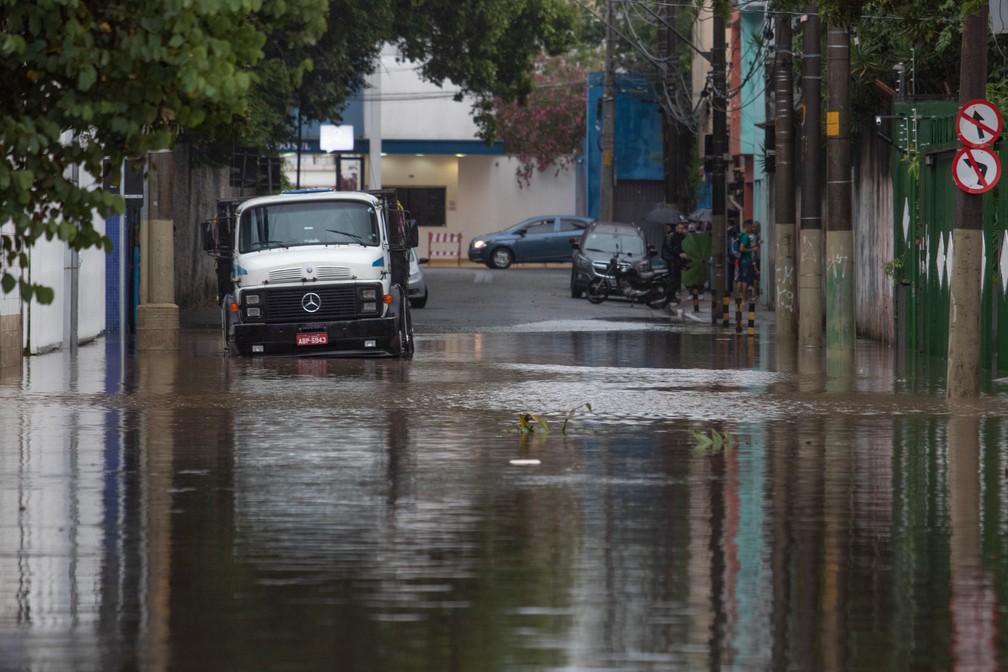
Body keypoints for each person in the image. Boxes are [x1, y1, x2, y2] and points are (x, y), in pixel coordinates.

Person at [661, 221, 688, 301]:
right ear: (676, 228)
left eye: (682, 229)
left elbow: (683, 245)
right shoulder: (670, 236)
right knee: (672, 278)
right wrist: (679, 254)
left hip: (676, 259)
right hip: (671, 259)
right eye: (679, 228)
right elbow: (671, 248)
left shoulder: (680, 236)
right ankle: (670, 296)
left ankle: (672, 295)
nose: (680, 230)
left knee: (676, 278)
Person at [735, 220, 759, 303]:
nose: (752, 228)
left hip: (741, 260)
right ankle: (744, 298)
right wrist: (752, 250)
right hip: (746, 260)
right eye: (751, 226)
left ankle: (738, 297)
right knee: (745, 281)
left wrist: (756, 245)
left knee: (740, 280)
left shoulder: (739, 235)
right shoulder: (745, 236)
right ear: (747, 226)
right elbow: (742, 248)